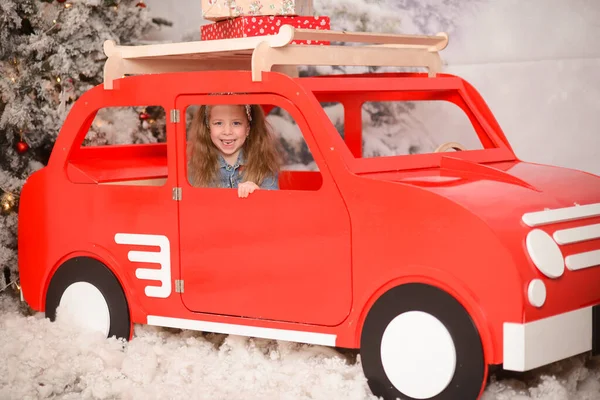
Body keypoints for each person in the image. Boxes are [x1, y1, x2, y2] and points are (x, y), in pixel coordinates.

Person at [187, 102, 281, 198]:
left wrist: (258, 194)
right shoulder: (196, 167)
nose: (227, 132)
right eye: (218, 123)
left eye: (236, 123)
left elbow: (273, 206)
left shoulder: (264, 165)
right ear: (208, 128)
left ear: (247, 128)